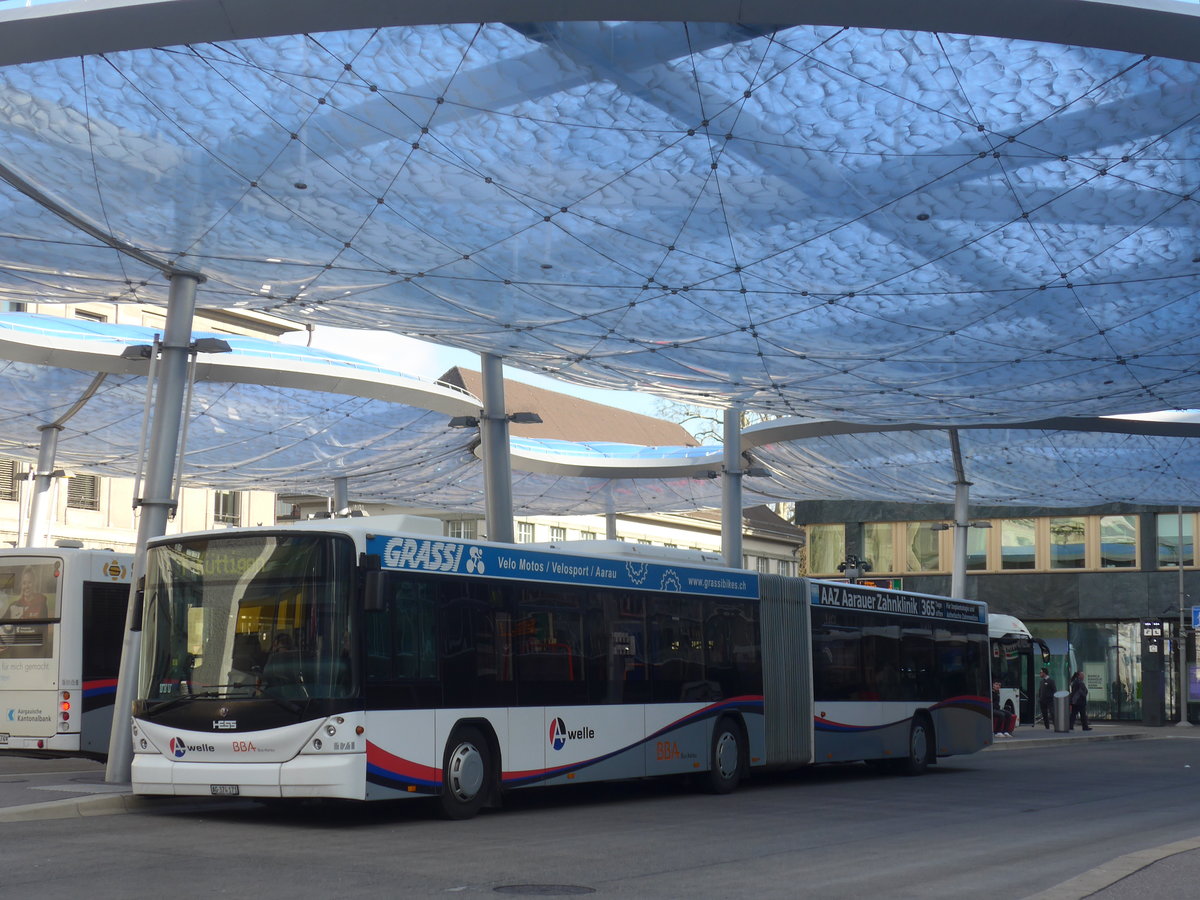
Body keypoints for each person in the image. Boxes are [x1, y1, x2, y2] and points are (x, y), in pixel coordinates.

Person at [1038, 666, 1057, 730]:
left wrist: (1051, 697)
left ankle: (1056, 725)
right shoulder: (1041, 681)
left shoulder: (1051, 681)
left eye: (1041, 672)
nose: (1040, 674)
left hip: (1049, 700)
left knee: (1052, 713)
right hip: (1042, 700)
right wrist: (1040, 697)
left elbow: (1054, 690)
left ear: (1044, 673)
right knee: (1044, 714)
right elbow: (1040, 690)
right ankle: (1047, 727)